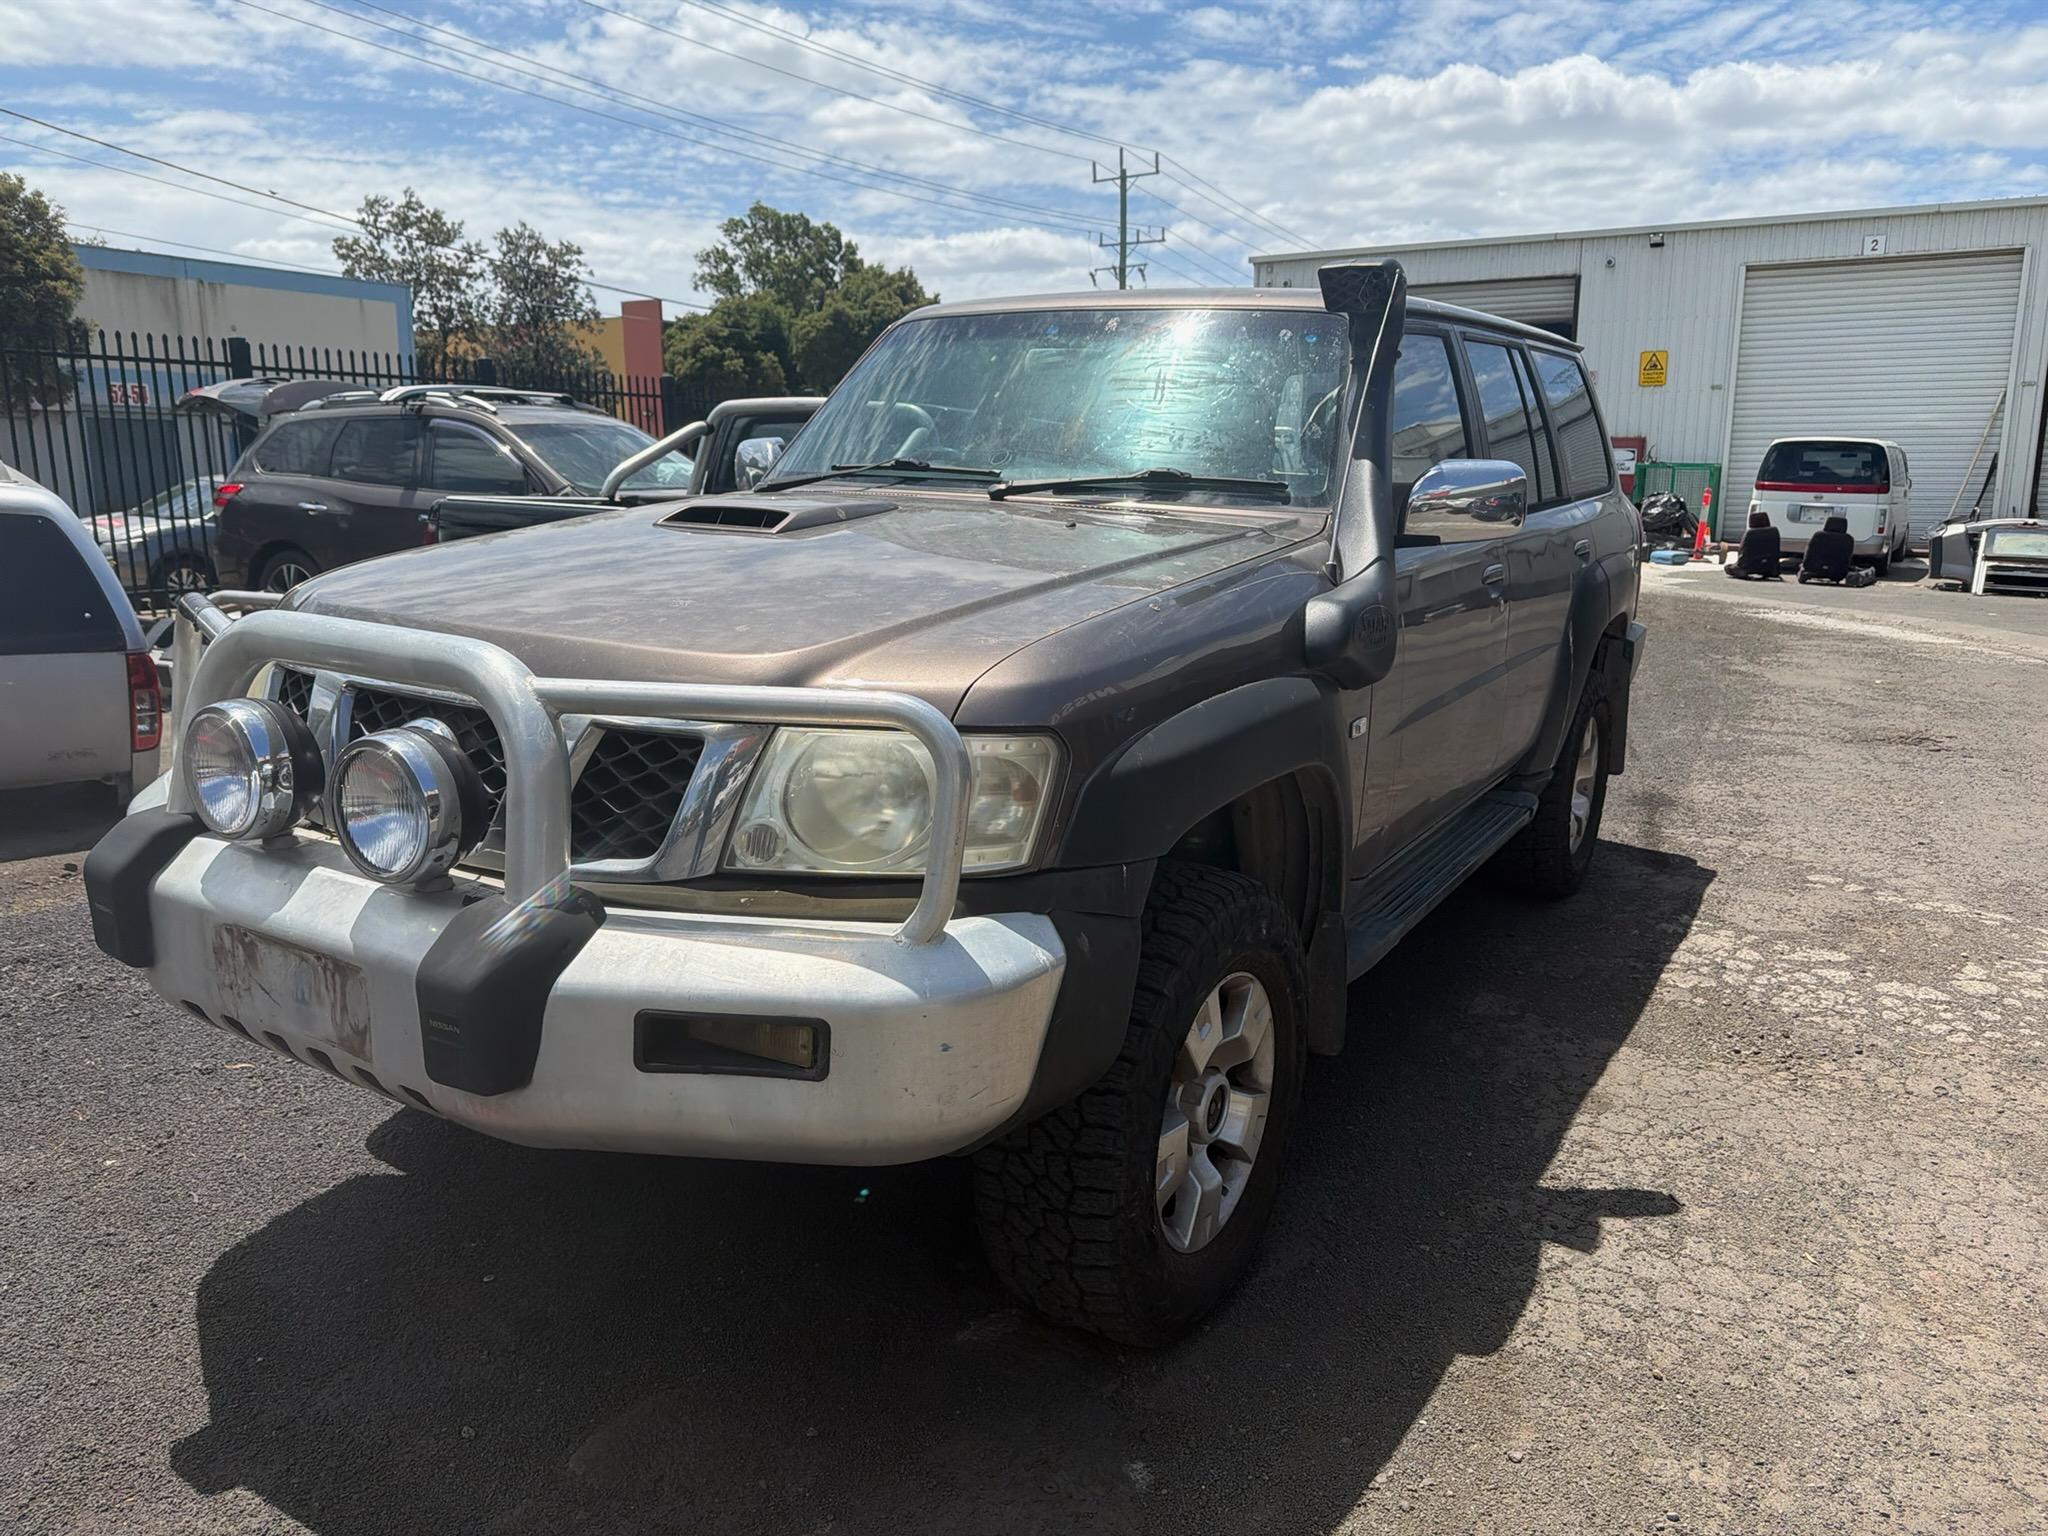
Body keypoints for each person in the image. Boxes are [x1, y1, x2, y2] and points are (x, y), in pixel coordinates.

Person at [1798, 515, 1857, 584]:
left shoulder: (1818, 536)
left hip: (1812, 569)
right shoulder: (1848, 540)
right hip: (1837, 572)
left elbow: (1808, 555)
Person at [1725, 510, 1783, 580]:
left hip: (1749, 567)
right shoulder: (1774, 532)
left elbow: (1743, 555)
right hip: (1770, 566)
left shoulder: (1749, 534)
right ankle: (1771, 571)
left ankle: (1743, 572)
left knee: (1728, 567)